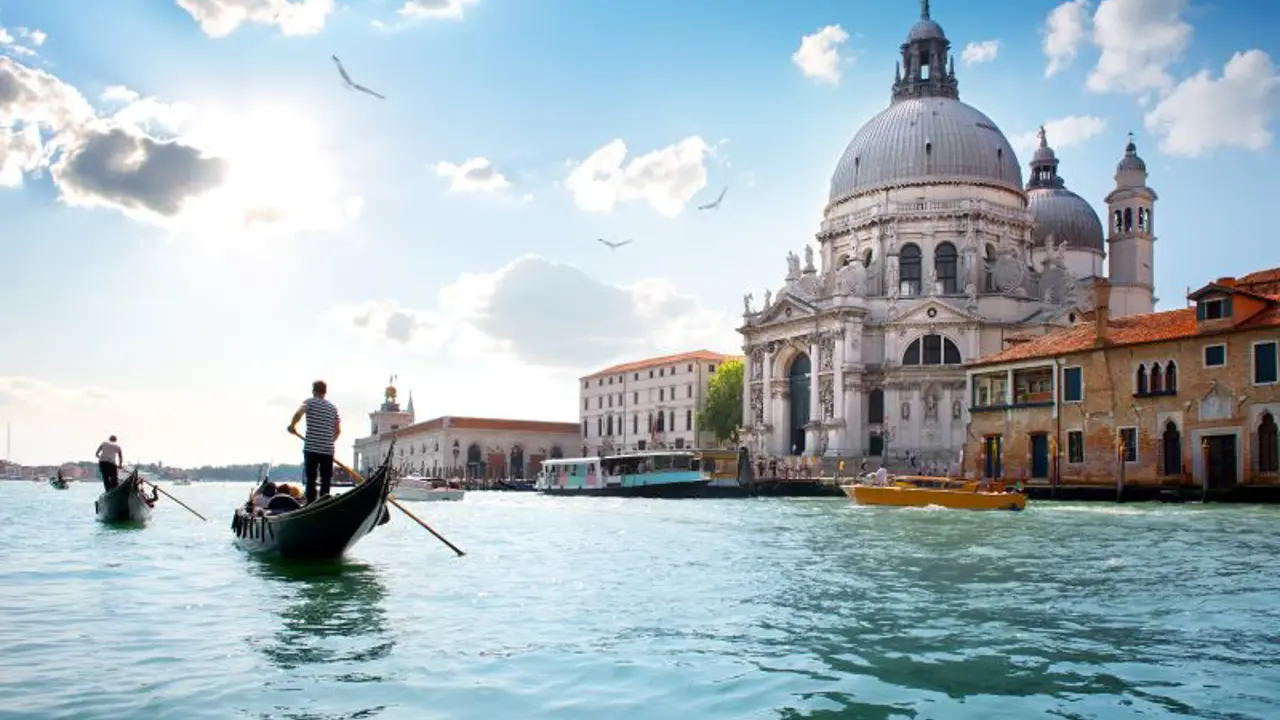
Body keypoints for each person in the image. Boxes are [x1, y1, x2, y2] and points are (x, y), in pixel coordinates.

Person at [288, 380, 341, 503]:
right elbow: (338, 430)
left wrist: (292, 426)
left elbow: (298, 413)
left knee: (311, 478)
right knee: (326, 479)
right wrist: (329, 441)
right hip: (328, 449)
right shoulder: (333, 408)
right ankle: (324, 501)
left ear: (313, 391)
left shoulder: (309, 402)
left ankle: (311, 502)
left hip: (311, 447)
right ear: (325, 392)